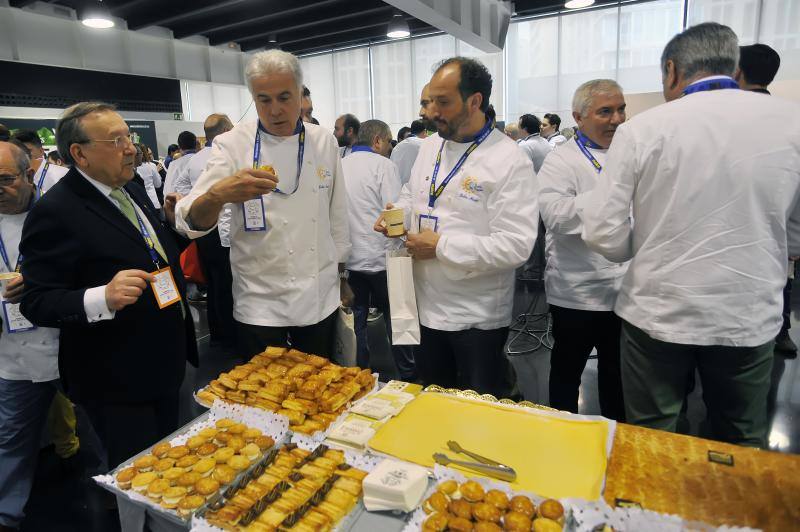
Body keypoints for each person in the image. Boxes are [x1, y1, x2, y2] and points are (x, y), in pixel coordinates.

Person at [579, 22, 800, 448]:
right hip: (748, 312)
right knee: (739, 438)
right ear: (734, 69)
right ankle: (730, 514)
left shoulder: (644, 129)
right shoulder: (791, 122)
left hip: (659, 312)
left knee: (655, 437)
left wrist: (641, 248)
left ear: (672, 71)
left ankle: (655, 515)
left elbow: (602, 230)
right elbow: (796, 231)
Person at [19, 102, 198, 468]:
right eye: (116, 141)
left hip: (164, 360)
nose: (130, 147)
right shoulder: (56, 211)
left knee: (171, 465)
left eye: (128, 136)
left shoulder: (126, 188)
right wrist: (102, 296)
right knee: (138, 473)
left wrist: (169, 230)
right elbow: (36, 300)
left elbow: (148, 256)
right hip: (117, 379)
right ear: (79, 154)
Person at [375, 57, 537, 396]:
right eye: (430, 101)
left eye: (443, 102)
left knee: (480, 407)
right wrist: (398, 215)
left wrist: (440, 247)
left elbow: (515, 245)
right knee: (435, 398)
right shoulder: (431, 145)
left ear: (475, 101)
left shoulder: (508, 159)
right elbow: (414, 194)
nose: (432, 111)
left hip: (475, 318)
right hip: (423, 304)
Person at [175, 50, 351, 359]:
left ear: (301, 94)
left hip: (317, 295)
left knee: (318, 393)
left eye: (285, 97)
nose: (275, 110)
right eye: (263, 100)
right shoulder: (232, 145)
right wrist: (219, 194)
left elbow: (336, 216)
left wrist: (342, 278)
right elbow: (190, 222)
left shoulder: (324, 140)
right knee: (263, 398)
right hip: (259, 301)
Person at [537, 79, 628, 421]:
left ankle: (615, 444)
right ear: (578, 116)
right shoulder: (562, 161)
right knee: (566, 376)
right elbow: (556, 216)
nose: (616, 119)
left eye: (621, 110)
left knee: (617, 379)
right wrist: (613, 201)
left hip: (624, 292)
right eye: (605, 111)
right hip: (576, 294)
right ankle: (562, 441)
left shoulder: (628, 153)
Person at [0, 141, 65, 531]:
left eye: (4, 179)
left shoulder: (60, 214)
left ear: (29, 174)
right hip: (12, 354)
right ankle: (6, 514)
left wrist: (41, 285)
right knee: (10, 438)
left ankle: (117, 498)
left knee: (98, 426)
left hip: (69, 345)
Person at [341, 119, 416, 380]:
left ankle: (359, 375)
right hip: (384, 258)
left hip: (351, 259)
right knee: (398, 320)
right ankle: (406, 376)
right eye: (387, 143)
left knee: (356, 323)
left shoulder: (339, 166)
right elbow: (394, 214)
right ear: (378, 141)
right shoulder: (384, 166)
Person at [734, 44, 796, 358]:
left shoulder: (726, 121)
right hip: (774, 239)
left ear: (736, 71)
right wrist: (789, 246)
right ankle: (781, 333)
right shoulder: (790, 121)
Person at [181, 114, 236, 348]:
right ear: (225, 130)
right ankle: (232, 333)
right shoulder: (230, 154)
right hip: (223, 231)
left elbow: (179, 187)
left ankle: (217, 333)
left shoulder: (194, 160)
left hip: (203, 231)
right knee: (227, 283)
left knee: (212, 281)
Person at [12, 130, 69, 195]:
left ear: (41, 151)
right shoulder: (13, 177)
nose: (22, 155)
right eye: (16, 152)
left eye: (27, 151)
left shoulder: (62, 174)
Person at [390, 119, 432, 186]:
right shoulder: (425, 145)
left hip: (398, 189)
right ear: (425, 131)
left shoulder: (397, 147)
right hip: (418, 189)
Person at [135, 143, 162, 209]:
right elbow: (158, 184)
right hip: (153, 202)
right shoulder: (152, 166)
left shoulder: (132, 169)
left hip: (140, 205)